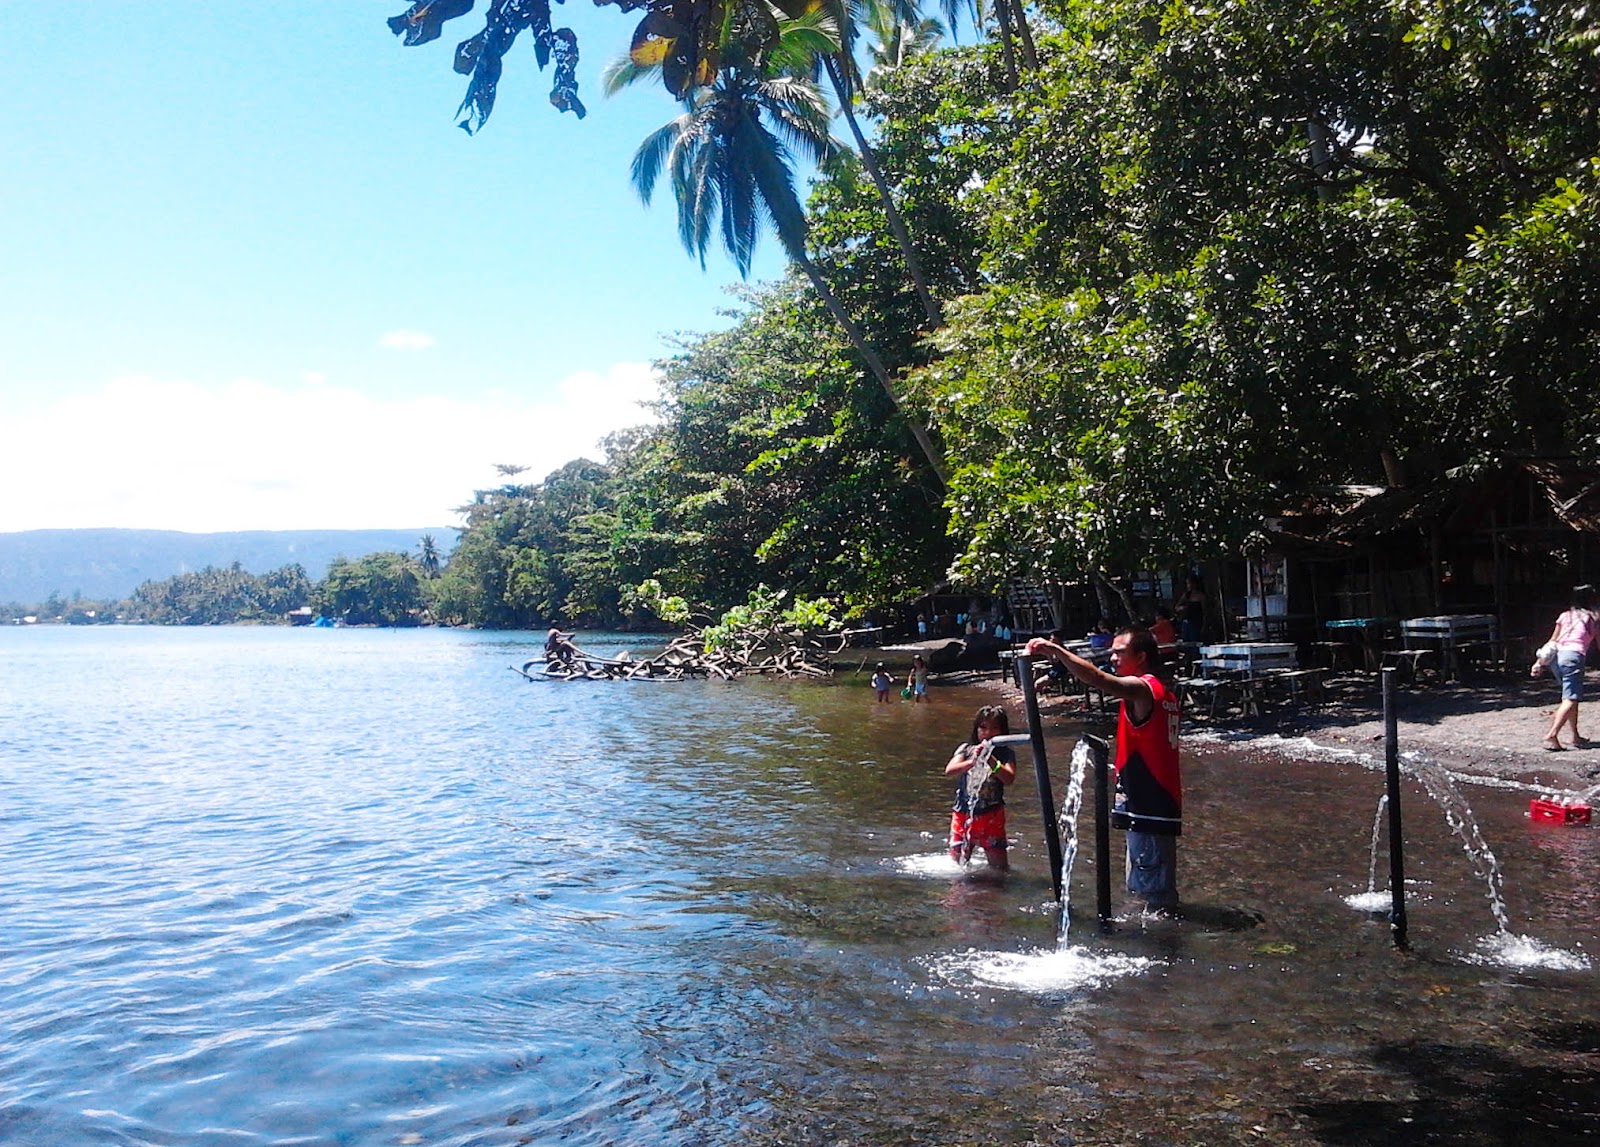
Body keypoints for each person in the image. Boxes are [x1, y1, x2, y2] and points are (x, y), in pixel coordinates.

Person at [1027, 627, 1182, 909]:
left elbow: (1099, 679)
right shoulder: (1163, 691)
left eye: (1119, 652)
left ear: (1142, 656)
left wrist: (1059, 653)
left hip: (1149, 808)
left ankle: (1159, 948)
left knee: (1151, 898)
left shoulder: (1143, 688)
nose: (1112, 658)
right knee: (1147, 886)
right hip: (1155, 806)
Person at [944, 705, 1017, 869]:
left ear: (1003, 731)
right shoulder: (966, 749)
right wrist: (972, 762)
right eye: (983, 727)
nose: (988, 732)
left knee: (999, 869)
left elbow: (1009, 778)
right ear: (976, 729)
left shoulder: (1005, 754)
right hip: (963, 815)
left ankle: (995, 891)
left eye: (994, 728)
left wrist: (992, 761)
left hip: (991, 816)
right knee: (957, 867)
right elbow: (949, 770)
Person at [1538, 584, 1600, 751]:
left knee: (1571, 697)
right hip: (1573, 657)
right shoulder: (1593, 618)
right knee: (1570, 698)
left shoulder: (1565, 616)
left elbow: (1553, 640)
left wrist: (1538, 662)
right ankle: (1552, 734)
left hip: (1556, 658)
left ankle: (1575, 736)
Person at [1177, 575, 1206, 643]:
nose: (1188, 586)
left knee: (1195, 641)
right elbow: (1177, 607)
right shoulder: (1186, 595)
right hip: (1186, 621)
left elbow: (1205, 612)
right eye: (1187, 584)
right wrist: (1182, 608)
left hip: (1196, 622)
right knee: (1186, 642)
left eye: (1189, 583)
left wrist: (1204, 625)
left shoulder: (1201, 596)